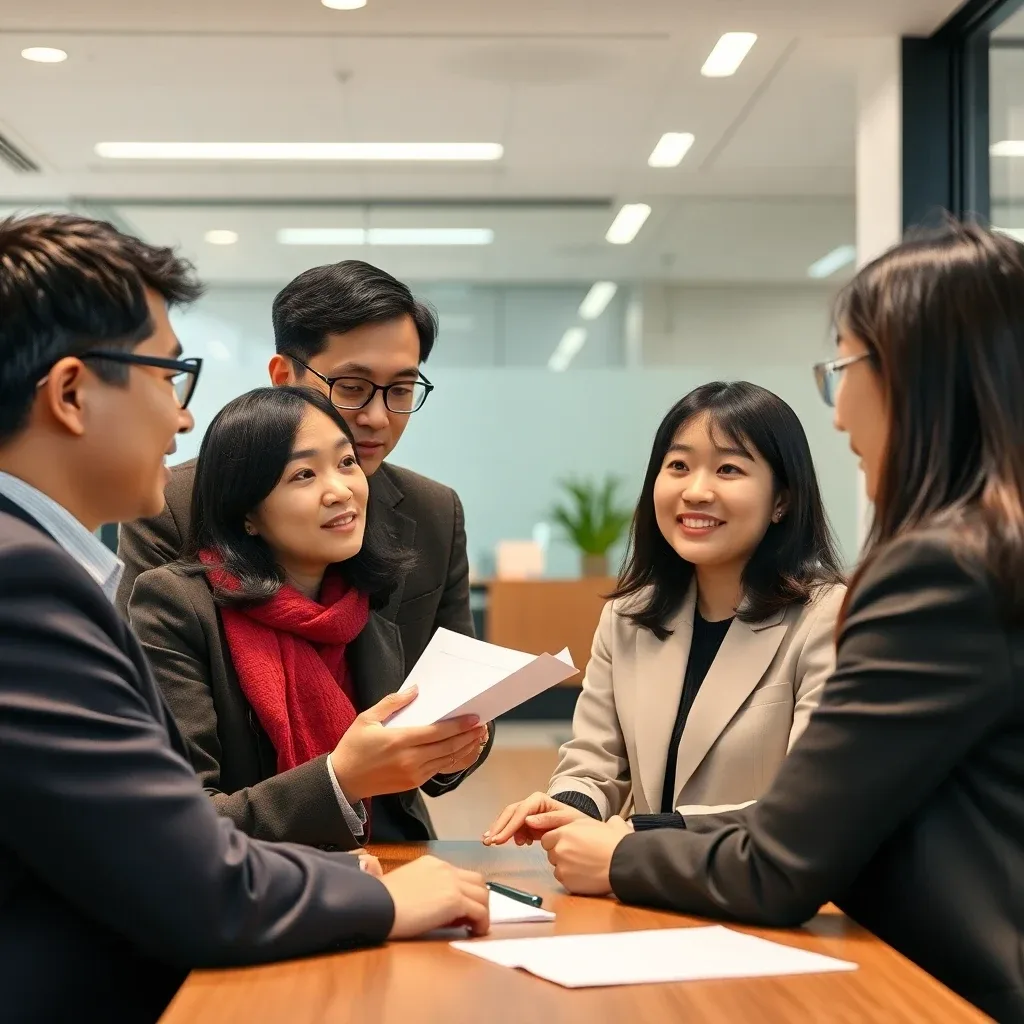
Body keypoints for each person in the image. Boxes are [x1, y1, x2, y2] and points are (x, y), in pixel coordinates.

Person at [0, 213, 489, 1023]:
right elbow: (180, 862)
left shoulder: (419, 525)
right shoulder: (29, 582)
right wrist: (371, 886)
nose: (182, 417)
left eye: (400, 389)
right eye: (167, 376)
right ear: (73, 393)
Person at [537, 222, 1024, 1022]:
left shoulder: (940, 572)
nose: (838, 417)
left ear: (919, 374)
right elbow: (594, 758)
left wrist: (624, 852)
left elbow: (786, 860)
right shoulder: (989, 553)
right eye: (678, 465)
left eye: (845, 368)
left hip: (942, 989)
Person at [484, 383, 845, 847]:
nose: (695, 491)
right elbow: (593, 763)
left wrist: (640, 835)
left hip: (752, 880)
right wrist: (567, 811)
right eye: (678, 466)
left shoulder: (827, 618)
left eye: (729, 469)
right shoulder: (627, 616)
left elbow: (808, 804)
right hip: (639, 882)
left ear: (782, 500)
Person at [129, 386, 488, 846]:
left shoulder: (370, 596)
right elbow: (182, 821)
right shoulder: (175, 605)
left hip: (391, 856)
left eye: (346, 462)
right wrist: (340, 779)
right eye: (303, 474)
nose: (340, 491)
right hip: (260, 875)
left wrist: (449, 749)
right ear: (246, 512)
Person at [117, 260, 477, 678]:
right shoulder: (173, 504)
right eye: (352, 388)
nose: (378, 417)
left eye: (400, 389)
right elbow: (143, 688)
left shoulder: (434, 510)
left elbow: (464, 683)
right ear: (284, 376)